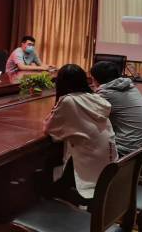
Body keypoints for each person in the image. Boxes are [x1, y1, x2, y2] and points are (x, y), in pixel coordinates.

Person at [42, 64, 117, 206]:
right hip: (108, 164)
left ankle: (49, 204)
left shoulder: (68, 100)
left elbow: (48, 129)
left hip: (90, 167)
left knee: (46, 167)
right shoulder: (95, 97)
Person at [90, 61, 142, 156]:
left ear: (95, 79)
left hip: (131, 150)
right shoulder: (130, 86)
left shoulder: (106, 93)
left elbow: (90, 117)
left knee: (86, 140)